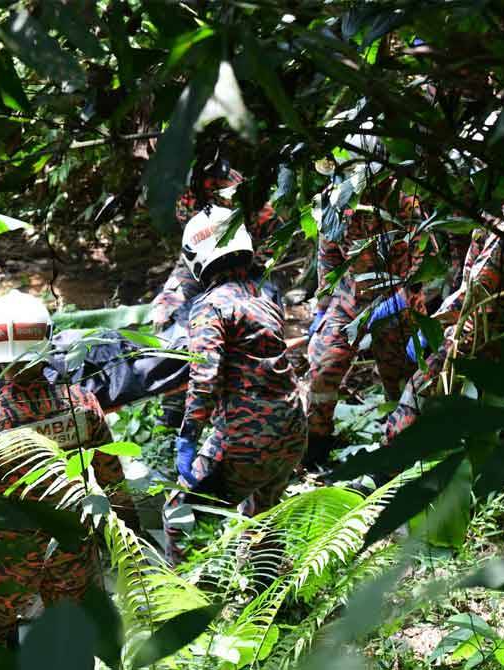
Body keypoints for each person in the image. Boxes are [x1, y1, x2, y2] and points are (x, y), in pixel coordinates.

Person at [0, 290, 138, 647]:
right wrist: (127, 535)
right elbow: (111, 479)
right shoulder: (83, 406)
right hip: (73, 548)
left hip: (9, 558)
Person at [166, 207, 306, 564]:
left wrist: (188, 436)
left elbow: (204, 377)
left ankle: (177, 600)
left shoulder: (209, 308)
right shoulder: (266, 295)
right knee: (261, 513)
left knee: (178, 513)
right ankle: (268, 590)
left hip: (247, 438)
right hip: (291, 430)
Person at [305, 118, 427, 465]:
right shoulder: (332, 204)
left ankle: (400, 454)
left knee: (401, 382)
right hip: (351, 298)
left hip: (399, 302)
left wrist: (402, 301)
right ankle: (316, 450)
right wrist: (321, 308)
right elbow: (328, 260)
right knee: (322, 367)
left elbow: (428, 270)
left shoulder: (406, 202)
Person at [384, 208, 504, 441]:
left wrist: (433, 324)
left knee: (420, 391)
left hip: (479, 330)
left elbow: (479, 288)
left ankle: (387, 466)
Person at [150, 159, 284, 432]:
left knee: (256, 310)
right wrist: (173, 295)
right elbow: (190, 242)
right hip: (200, 262)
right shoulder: (182, 190)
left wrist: (256, 262)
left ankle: (255, 388)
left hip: (244, 262)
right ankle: (175, 399)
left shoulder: (235, 188)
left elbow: (274, 230)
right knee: (169, 312)